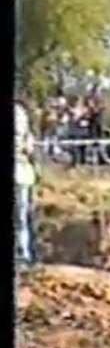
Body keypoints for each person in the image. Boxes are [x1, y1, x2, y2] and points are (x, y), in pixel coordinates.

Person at [15, 100, 39, 266]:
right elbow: (31, 153)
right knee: (23, 216)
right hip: (23, 174)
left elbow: (30, 152)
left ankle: (25, 253)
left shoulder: (27, 136)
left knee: (23, 216)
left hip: (22, 173)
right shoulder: (27, 135)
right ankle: (25, 253)